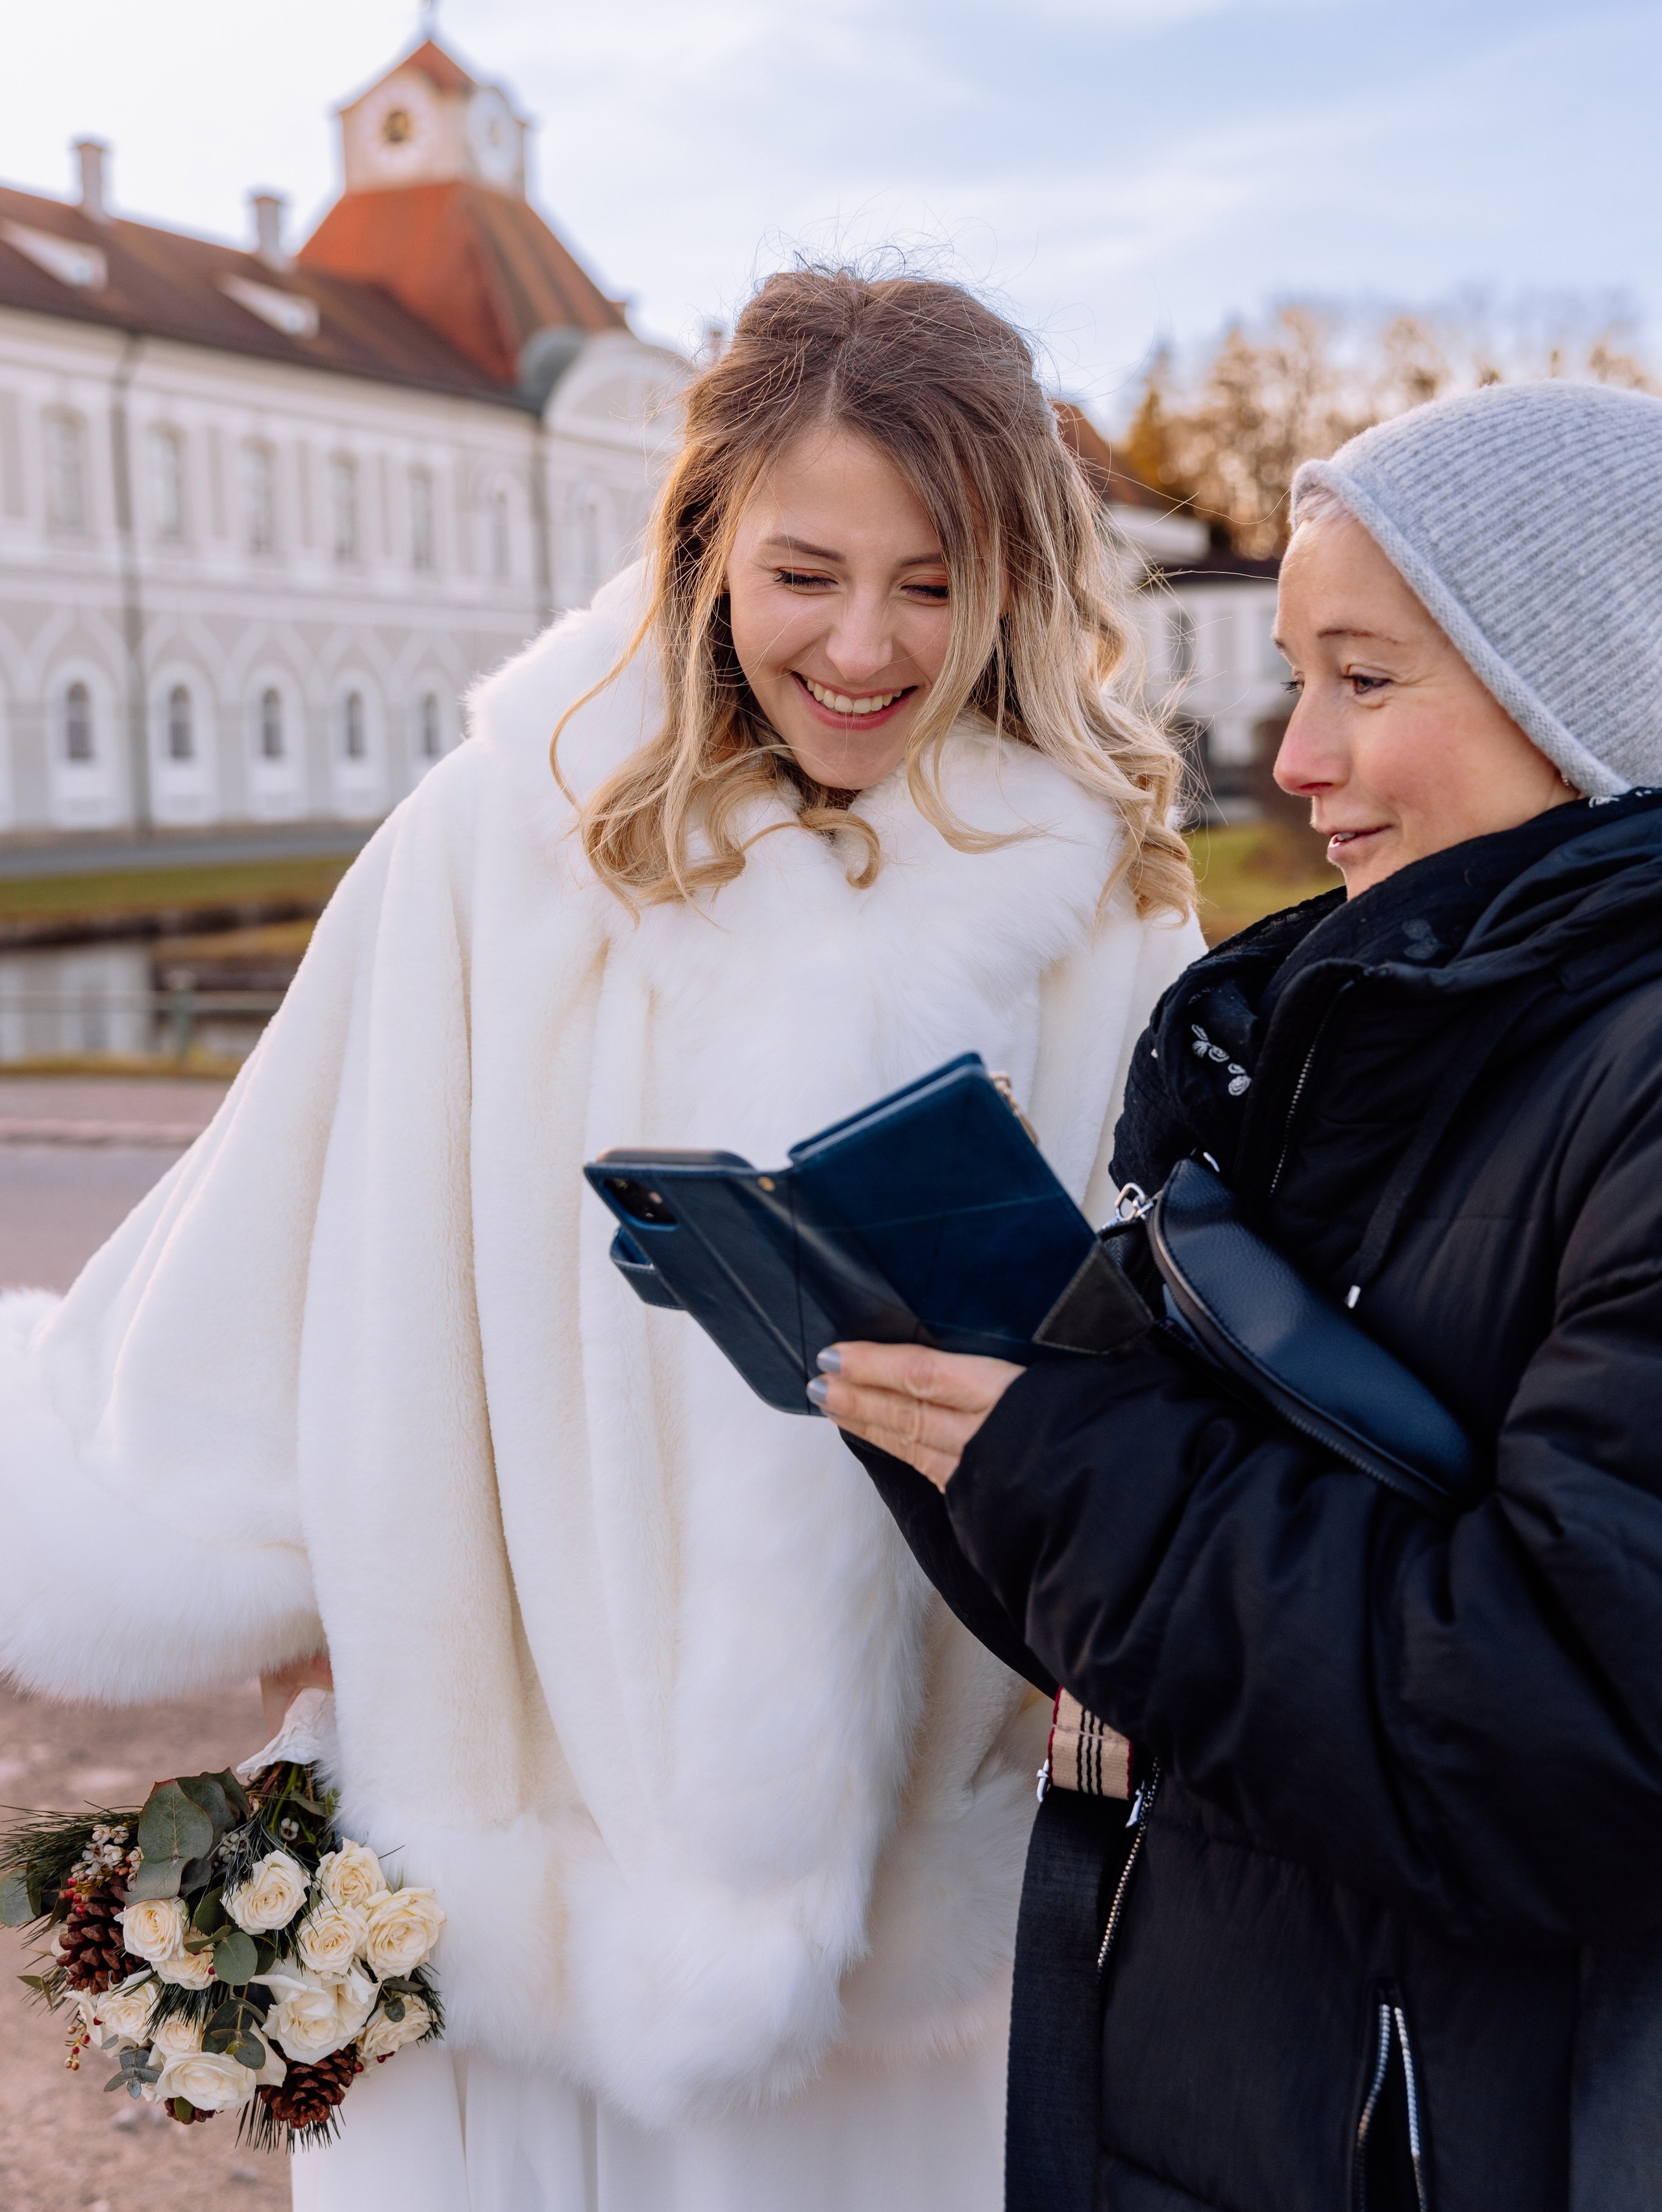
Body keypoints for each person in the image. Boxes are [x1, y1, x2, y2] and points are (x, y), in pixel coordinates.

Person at [0, 267, 1200, 2212]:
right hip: (509, 1882)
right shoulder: (502, 838)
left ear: (1024, 583)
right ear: (709, 537)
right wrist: (261, 1557)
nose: (867, 647)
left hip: (930, 1941)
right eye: (809, 570)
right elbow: (279, 1223)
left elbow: (1181, 1365)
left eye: (935, 581)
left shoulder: (1114, 909)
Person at [819, 379, 1662, 2212]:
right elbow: (1229, 1612)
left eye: (1365, 679)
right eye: (1299, 678)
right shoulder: (1366, 1028)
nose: (1291, 757)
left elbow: (1582, 1731)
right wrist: (984, 1435)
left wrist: (1083, 1480)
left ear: (1585, 686)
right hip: (1261, 2094)